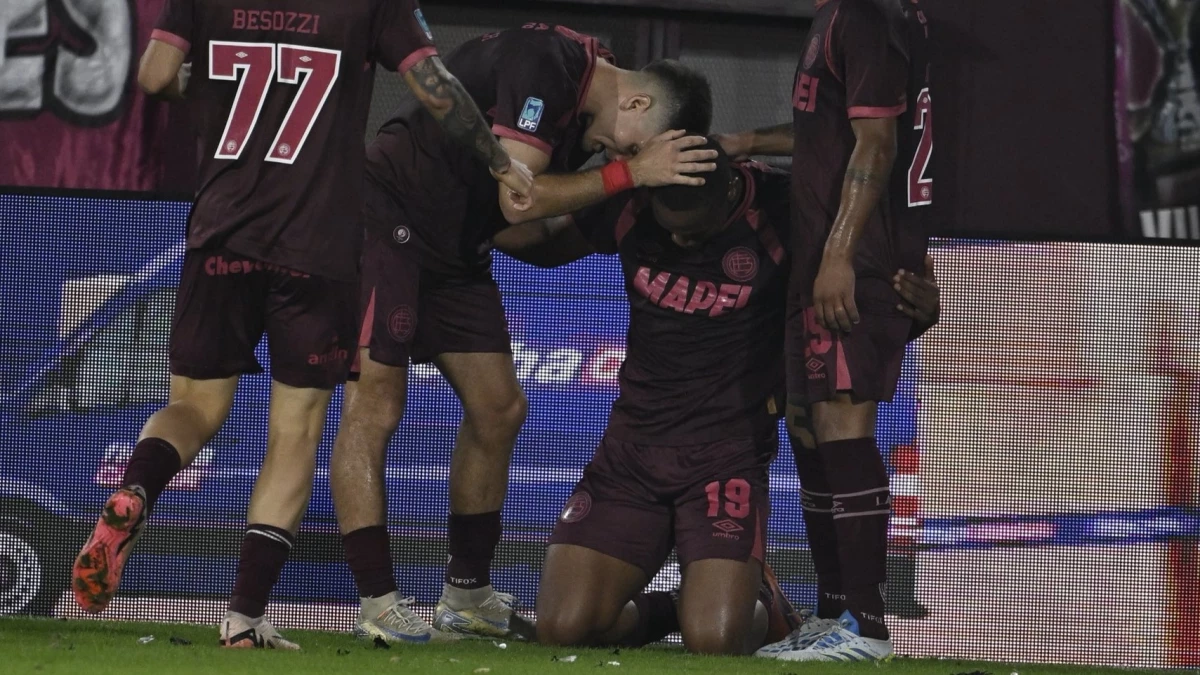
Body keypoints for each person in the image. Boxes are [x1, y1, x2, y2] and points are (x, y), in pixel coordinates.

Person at [70, 0, 532, 649]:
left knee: (193, 406)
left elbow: (154, 77)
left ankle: (137, 491)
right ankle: (242, 616)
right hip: (316, 250)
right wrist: (498, 160)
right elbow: (437, 90)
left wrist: (213, 84)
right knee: (294, 433)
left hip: (220, 233)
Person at [333, 22, 717, 644]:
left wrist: (622, 216)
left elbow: (528, 238)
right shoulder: (550, 63)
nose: (625, 159)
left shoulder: (587, 99)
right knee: (375, 404)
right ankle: (377, 603)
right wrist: (631, 176)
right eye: (637, 148)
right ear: (638, 103)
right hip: (390, 216)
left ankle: (466, 597)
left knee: (500, 407)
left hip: (457, 247)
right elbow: (521, 197)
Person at [492, 139, 939, 654]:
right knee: (564, 629)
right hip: (630, 453)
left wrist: (915, 312)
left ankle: (763, 604)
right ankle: (675, 607)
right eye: (670, 225)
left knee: (716, 641)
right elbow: (539, 240)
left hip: (726, 458)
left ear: (731, 192)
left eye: (695, 228)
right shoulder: (635, 195)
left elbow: (863, 301)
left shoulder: (784, 207)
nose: (681, 237)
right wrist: (491, 198)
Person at [718, 0, 934, 662]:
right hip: (824, 251)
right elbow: (832, 132)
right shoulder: (842, 16)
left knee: (843, 423)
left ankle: (866, 626)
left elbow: (878, 143)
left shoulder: (865, 16)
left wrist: (840, 252)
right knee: (810, 426)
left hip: (855, 257)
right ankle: (835, 610)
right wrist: (749, 143)